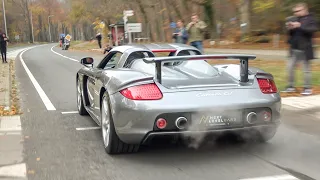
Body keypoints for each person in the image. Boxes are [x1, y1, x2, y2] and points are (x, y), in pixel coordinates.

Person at [282, 3, 318, 95]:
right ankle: (290, 86)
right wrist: (289, 28)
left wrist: (300, 26)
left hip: (305, 48)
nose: (296, 13)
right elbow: (289, 33)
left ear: (305, 10)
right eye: (295, 11)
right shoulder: (294, 19)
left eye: (298, 11)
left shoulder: (311, 19)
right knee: (289, 68)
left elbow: (312, 30)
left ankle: (307, 88)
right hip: (294, 48)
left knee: (306, 70)